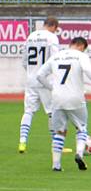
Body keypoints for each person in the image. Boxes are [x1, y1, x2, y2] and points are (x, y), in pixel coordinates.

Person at [36, 37, 91, 171]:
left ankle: (56, 165)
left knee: (59, 132)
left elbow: (40, 75)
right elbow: (88, 70)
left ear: (71, 44)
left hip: (57, 99)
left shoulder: (56, 56)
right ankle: (79, 153)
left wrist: (51, 87)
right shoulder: (81, 56)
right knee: (81, 128)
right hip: (76, 98)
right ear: (81, 46)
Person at [18, 16, 60, 153]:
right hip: (46, 81)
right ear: (53, 26)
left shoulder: (31, 36)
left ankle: (22, 142)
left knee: (28, 111)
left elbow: (24, 61)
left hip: (31, 80)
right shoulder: (52, 38)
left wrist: (31, 72)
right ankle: (56, 144)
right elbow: (56, 59)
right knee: (51, 112)